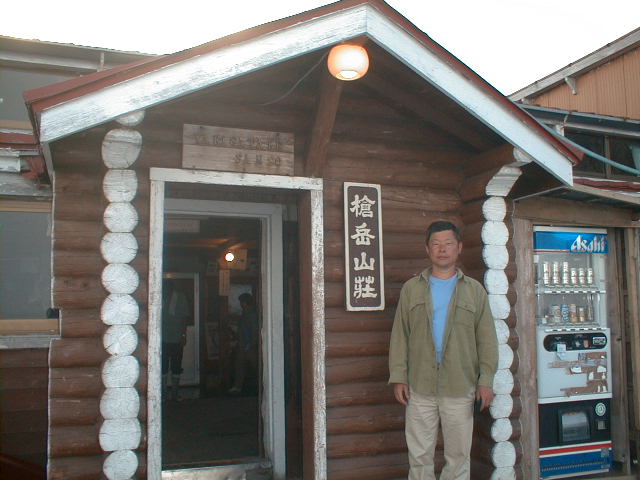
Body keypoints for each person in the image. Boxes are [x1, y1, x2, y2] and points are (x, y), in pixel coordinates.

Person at [388, 220, 498, 480]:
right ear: (427, 249)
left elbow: (487, 340)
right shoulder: (412, 289)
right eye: (436, 244)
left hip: (460, 386)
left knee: (458, 457)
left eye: (448, 243)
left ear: (459, 248)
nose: (442, 249)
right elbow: (400, 335)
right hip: (419, 387)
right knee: (419, 456)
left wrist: (486, 381)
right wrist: (399, 376)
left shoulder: (474, 291)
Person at [161, 279, 190, 401]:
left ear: (172, 288)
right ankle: (162, 394)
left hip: (177, 338)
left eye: (167, 288)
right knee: (162, 367)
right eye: (164, 288)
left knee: (176, 366)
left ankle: (174, 394)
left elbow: (184, 318)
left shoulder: (180, 298)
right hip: (162, 339)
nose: (166, 291)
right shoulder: (158, 297)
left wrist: (183, 335)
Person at [228, 292, 259, 394]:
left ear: (245, 302)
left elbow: (254, 331)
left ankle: (261, 386)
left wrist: (250, 344)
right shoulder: (245, 313)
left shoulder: (251, 315)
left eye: (241, 302)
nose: (240, 304)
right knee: (239, 365)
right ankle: (238, 386)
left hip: (249, 346)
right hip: (243, 345)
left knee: (256, 367)